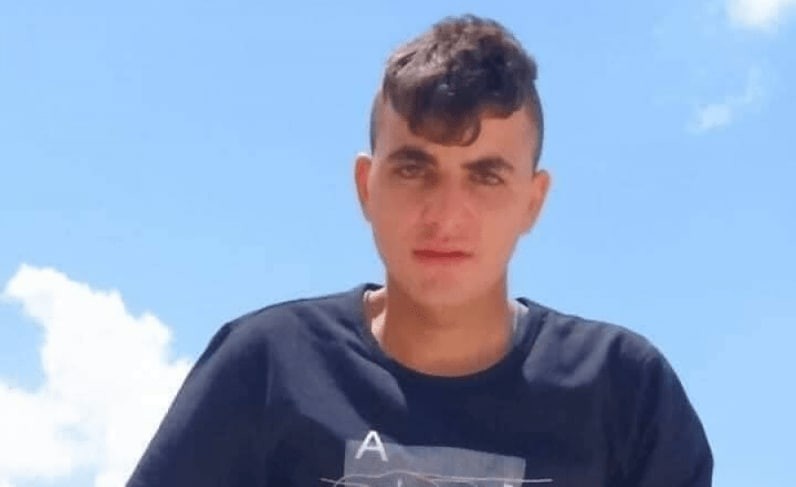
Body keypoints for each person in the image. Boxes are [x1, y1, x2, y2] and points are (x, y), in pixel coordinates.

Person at [128, 14, 712, 486]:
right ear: (367, 187)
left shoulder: (624, 389)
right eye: (414, 169)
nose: (446, 215)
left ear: (533, 202)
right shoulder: (267, 367)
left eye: (486, 176)